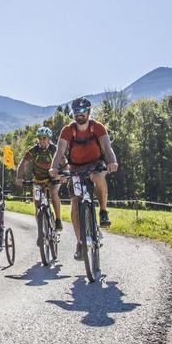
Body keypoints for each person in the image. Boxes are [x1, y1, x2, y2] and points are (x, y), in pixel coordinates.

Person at [49, 97, 118, 260]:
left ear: (88, 112)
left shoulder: (97, 127)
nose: (79, 115)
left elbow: (107, 147)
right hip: (75, 168)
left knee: (98, 176)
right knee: (75, 202)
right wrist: (54, 167)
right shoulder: (68, 130)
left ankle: (103, 211)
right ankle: (80, 242)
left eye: (83, 112)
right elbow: (59, 152)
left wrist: (112, 161)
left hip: (95, 164)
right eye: (76, 112)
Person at [15, 127, 64, 231]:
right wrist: (19, 177)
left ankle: (58, 220)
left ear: (49, 139)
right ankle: (41, 231)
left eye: (44, 138)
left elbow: (64, 163)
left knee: (54, 192)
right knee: (37, 203)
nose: (42, 141)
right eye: (40, 138)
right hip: (38, 179)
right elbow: (22, 164)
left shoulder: (54, 149)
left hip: (53, 178)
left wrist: (64, 175)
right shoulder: (34, 151)